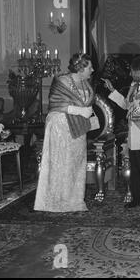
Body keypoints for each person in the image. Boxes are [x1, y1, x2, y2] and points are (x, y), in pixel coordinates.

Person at [34, 52, 95, 212]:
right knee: (61, 163)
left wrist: (83, 112)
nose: (93, 69)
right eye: (89, 67)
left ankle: (73, 200)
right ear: (81, 68)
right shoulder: (62, 81)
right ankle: (56, 201)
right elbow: (55, 104)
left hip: (78, 127)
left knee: (75, 163)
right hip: (61, 126)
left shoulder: (85, 83)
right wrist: (79, 111)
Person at [103, 57, 140, 211]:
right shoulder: (133, 86)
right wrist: (112, 90)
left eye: (131, 71)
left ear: (137, 72)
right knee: (135, 170)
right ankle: (138, 198)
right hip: (132, 136)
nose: (129, 73)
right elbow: (126, 105)